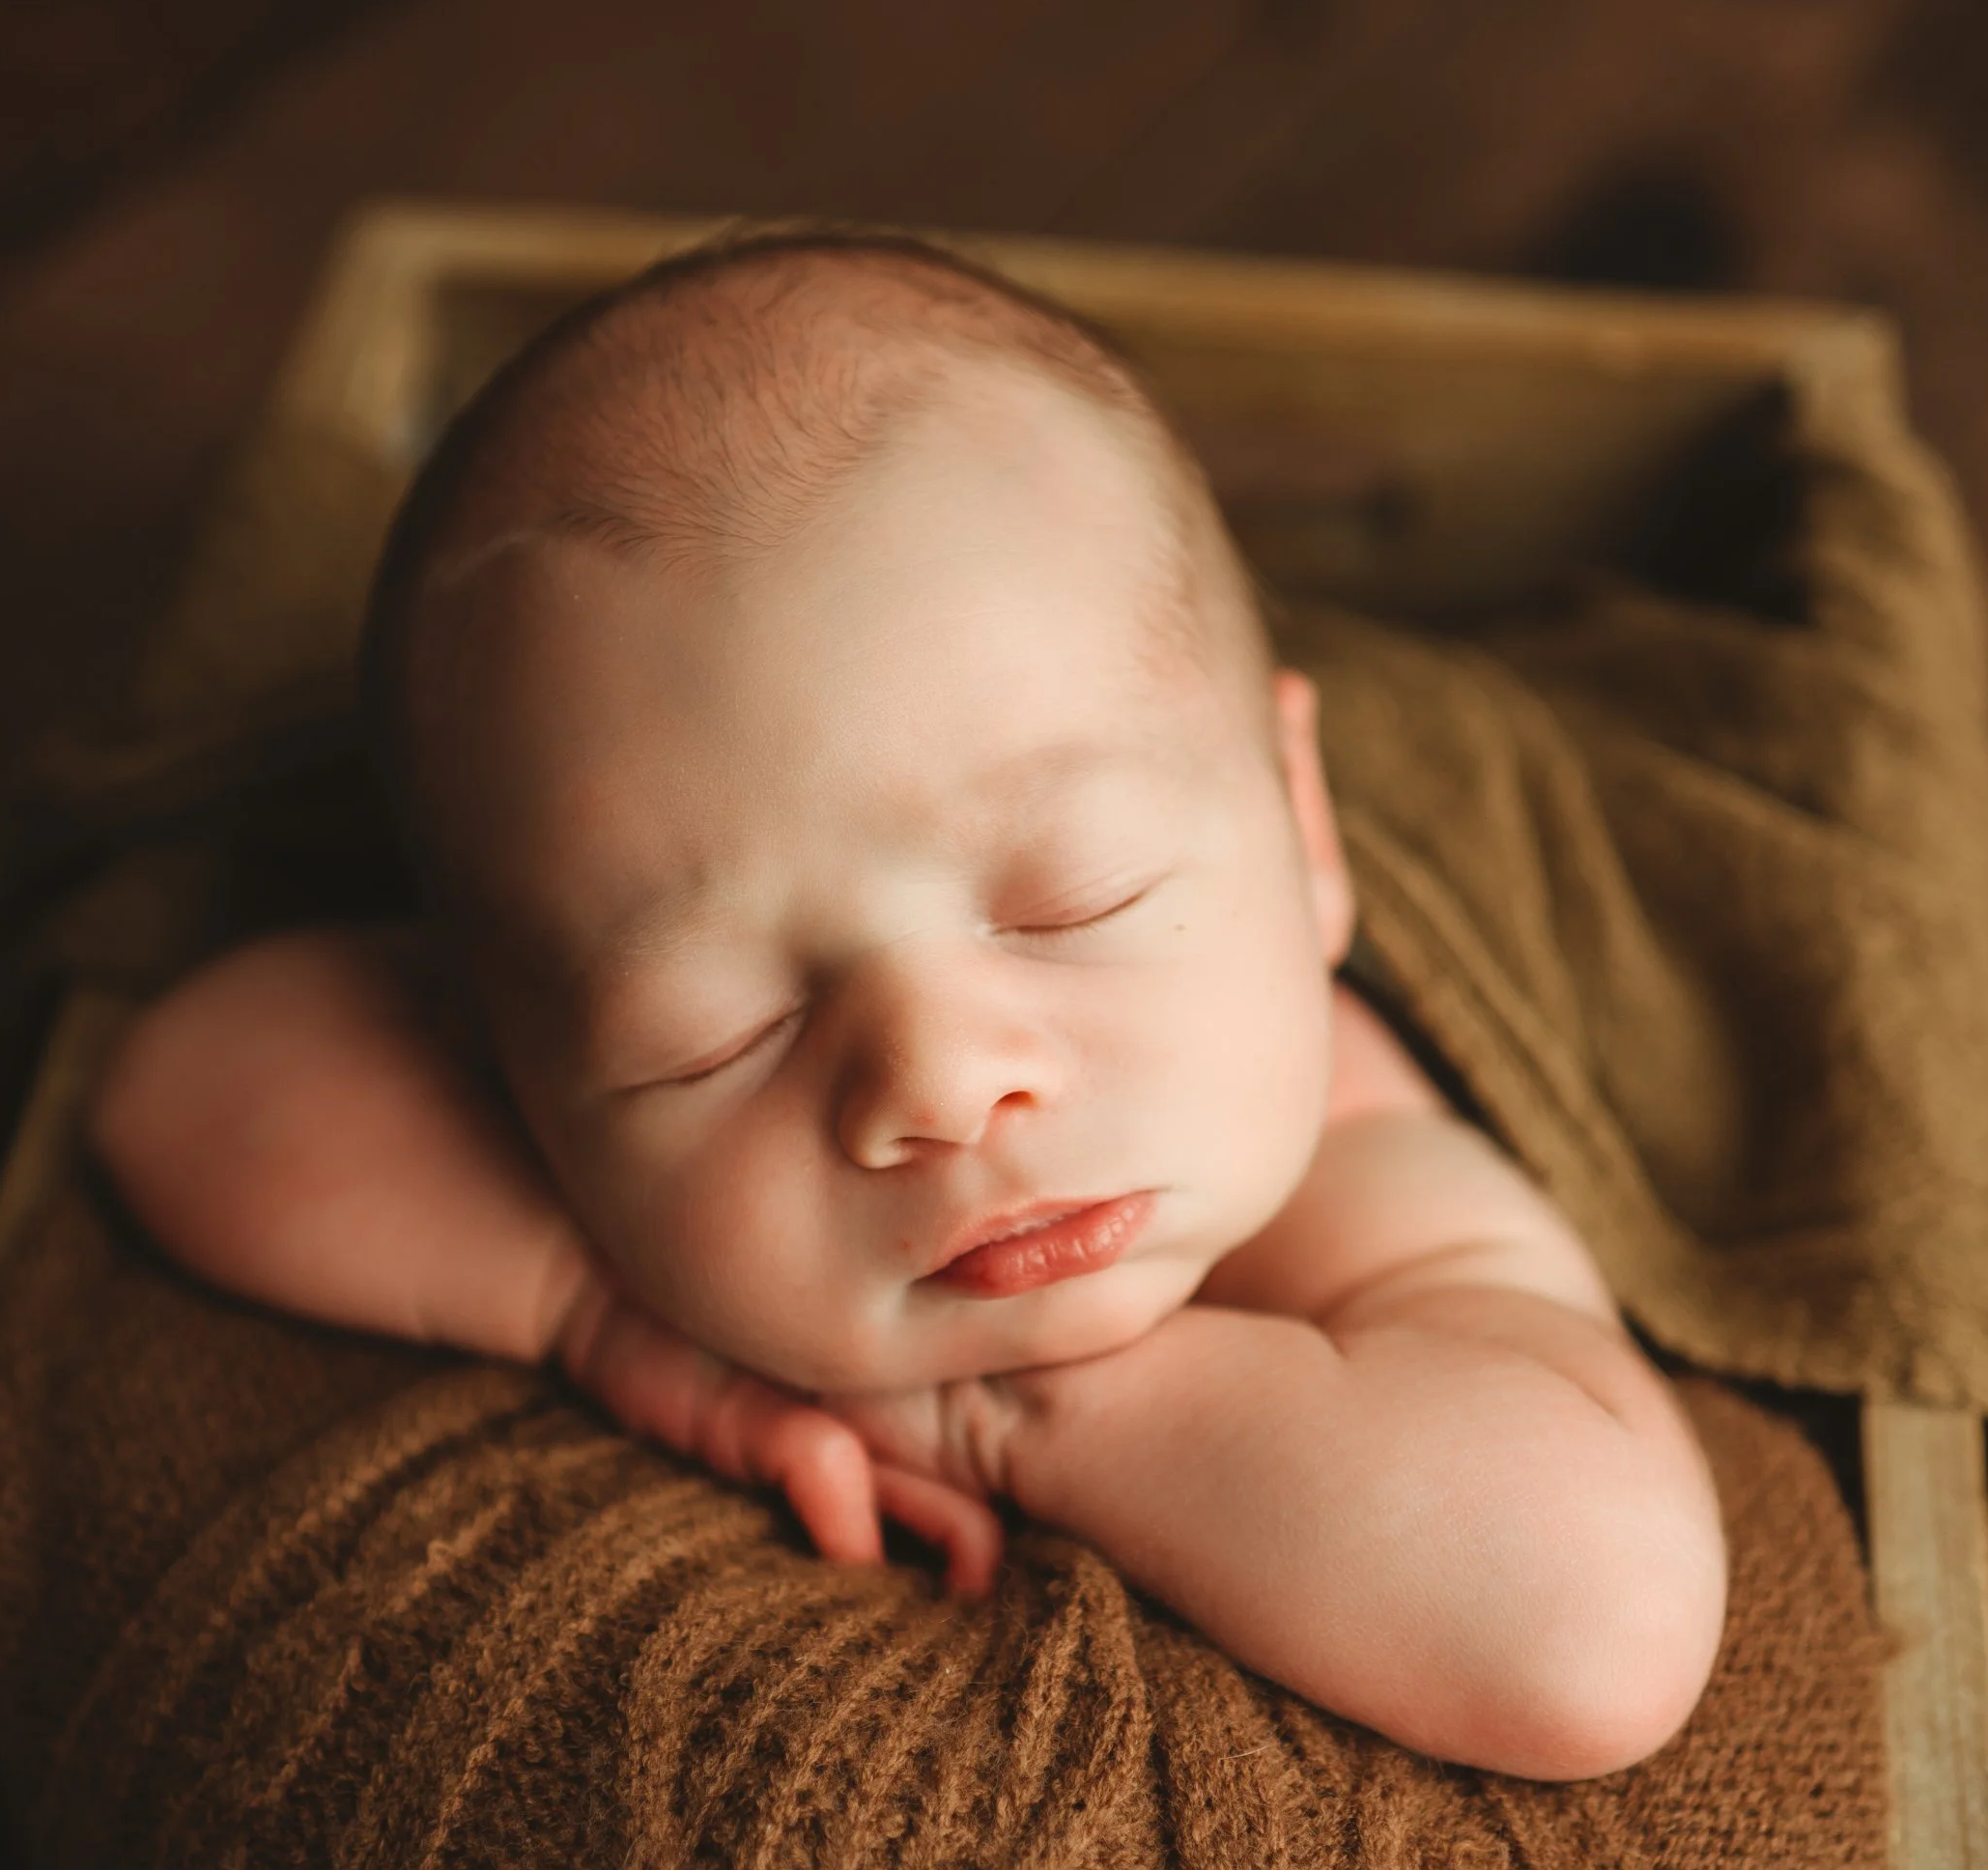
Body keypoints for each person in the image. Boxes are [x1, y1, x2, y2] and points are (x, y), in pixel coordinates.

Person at [95, 230, 1725, 1780]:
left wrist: (991, 1411)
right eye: (712, 1033)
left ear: (1304, 833)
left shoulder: (1356, 1164)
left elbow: (1587, 1629)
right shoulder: (536, 1114)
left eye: (1072, 899)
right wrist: (593, 1311)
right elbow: (178, 1087)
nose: (941, 1082)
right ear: (507, 1066)